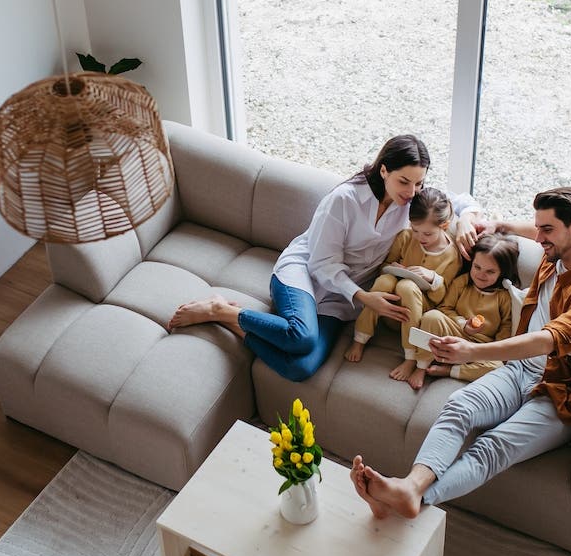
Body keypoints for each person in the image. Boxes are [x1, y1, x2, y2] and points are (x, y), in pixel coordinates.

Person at [349, 187, 571, 519]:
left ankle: (415, 498)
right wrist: (501, 226)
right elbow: (536, 232)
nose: (539, 238)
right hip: (520, 371)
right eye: (537, 227)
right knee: (458, 406)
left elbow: (547, 340)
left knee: (492, 447)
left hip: (558, 394)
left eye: (547, 230)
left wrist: (472, 351)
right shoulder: (561, 250)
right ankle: (409, 487)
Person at [168, 135, 479, 382]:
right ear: (384, 170)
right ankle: (220, 309)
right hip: (304, 274)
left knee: (300, 368)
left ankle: (231, 320)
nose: (413, 191)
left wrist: (466, 219)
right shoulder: (344, 200)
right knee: (301, 337)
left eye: (419, 183)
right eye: (404, 182)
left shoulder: (410, 204)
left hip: (341, 299)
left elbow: (461, 201)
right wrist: (366, 298)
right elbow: (321, 264)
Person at [345, 187, 461, 391]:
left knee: (407, 286)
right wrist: (395, 268)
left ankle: (411, 358)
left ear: (444, 226)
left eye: (427, 233)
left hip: (416, 318)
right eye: (415, 230)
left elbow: (443, 301)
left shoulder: (452, 256)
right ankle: (360, 338)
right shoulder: (406, 237)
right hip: (389, 310)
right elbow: (384, 266)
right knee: (384, 281)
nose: (419, 237)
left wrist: (433, 278)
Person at [418, 233, 520, 384]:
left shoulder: (504, 297)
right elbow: (445, 308)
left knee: (497, 366)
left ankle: (450, 370)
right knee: (432, 316)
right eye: (477, 267)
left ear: (502, 272)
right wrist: (463, 324)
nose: (480, 275)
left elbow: (505, 330)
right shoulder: (462, 282)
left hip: (478, 348)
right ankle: (421, 366)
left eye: (490, 272)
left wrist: (493, 351)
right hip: (455, 333)